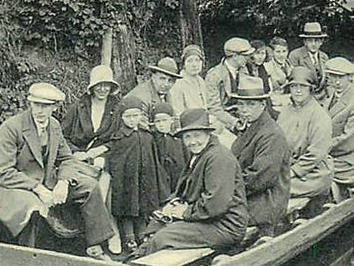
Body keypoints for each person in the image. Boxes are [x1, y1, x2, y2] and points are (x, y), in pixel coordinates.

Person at [0, 82, 115, 260]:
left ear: (55, 107)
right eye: (36, 105)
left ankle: (94, 245)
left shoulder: (54, 126)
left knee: (89, 186)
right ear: (30, 104)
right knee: (33, 206)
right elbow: (3, 171)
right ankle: (30, 258)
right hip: (8, 184)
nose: (40, 111)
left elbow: (66, 158)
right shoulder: (10, 128)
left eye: (46, 106)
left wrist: (63, 182)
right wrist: (38, 188)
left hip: (44, 178)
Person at [132, 108, 249, 257]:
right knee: (155, 226)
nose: (192, 142)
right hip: (207, 219)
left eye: (197, 135)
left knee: (163, 237)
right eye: (187, 137)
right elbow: (185, 189)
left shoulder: (218, 158)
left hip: (225, 225)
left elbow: (216, 203)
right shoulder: (200, 154)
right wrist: (172, 205)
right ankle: (135, 260)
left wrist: (184, 212)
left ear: (208, 134)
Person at [58, 64, 123, 253]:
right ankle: (103, 232)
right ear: (92, 87)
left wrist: (102, 150)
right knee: (90, 181)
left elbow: (119, 137)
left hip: (106, 156)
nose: (103, 89)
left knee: (105, 181)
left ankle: (109, 232)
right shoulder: (78, 107)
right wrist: (75, 152)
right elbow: (62, 136)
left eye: (107, 85)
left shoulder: (117, 107)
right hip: (78, 157)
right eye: (99, 85)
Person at [229, 75, 291, 237]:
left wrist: (225, 189)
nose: (243, 109)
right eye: (240, 104)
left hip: (266, 200)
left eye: (250, 104)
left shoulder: (271, 134)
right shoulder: (250, 126)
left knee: (216, 217)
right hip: (249, 193)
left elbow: (260, 177)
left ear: (262, 105)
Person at [106, 95, 167, 252]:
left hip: (145, 178)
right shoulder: (119, 138)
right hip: (127, 180)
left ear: (141, 116)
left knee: (142, 206)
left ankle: (142, 234)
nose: (132, 120)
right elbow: (115, 160)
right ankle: (129, 237)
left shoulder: (147, 136)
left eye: (135, 115)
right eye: (128, 116)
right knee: (128, 207)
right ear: (122, 117)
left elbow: (153, 158)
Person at [275, 66, 334, 201]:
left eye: (303, 86)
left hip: (313, 173)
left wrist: (293, 172)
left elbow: (316, 154)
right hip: (287, 167)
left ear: (311, 89)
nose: (298, 90)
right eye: (294, 86)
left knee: (273, 189)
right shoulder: (286, 111)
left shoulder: (319, 115)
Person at [324, 57, 354, 201]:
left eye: (341, 77)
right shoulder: (332, 94)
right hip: (332, 153)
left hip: (347, 160)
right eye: (333, 77)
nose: (337, 82)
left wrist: (321, 147)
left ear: (349, 77)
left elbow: (350, 138)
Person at [205, 37, 252, 145]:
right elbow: (214, 108)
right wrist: (234, 122)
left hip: (242, 116)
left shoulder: (243, 71)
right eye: (245, 55)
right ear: (235, 56)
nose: (248, 58)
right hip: (223, 121)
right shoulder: (214, 76)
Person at [123, 57, 181, 127]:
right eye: (162, 78)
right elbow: (142, 126)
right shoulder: (142, 96)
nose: (166, 84)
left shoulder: (166, 93)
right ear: (153, 77)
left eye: (170, 81)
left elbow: (174, 117)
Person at [151, 100, 189, 195]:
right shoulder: (153, 140)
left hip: (178, 177)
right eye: (158, 121)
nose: (161, 124)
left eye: (164, 120)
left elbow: (186, 160)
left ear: (171, 120)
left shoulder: (179, 139)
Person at [288, 22, 330, 102]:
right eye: (310, 41)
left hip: (323, 99)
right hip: (303, 98)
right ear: (305, 42)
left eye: (317, 41)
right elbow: (294, 82)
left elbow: (327, 81)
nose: (313, 44)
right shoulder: (295, 56)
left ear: (321, 42)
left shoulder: (324, 57)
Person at [169, 44, 208, 116]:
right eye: (190, 61)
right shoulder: (178, 84)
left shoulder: (201, 81)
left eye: (197, 60)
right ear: (184, 64)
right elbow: (178, 113)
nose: (194, 64)